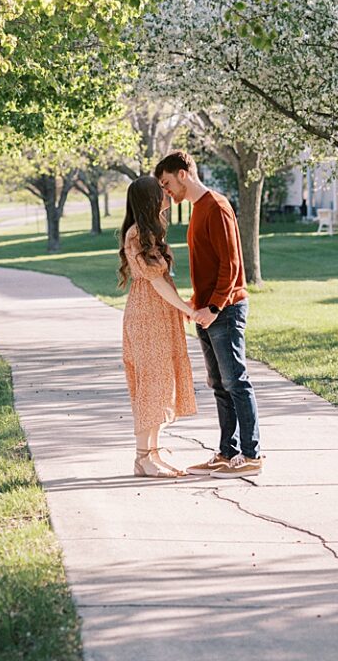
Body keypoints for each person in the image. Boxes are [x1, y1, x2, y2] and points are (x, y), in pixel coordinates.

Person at [155, 151, 262, 478]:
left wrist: (214, 306)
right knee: (219, 383)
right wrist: (197, 303)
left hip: (225, 310)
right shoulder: (198, 210)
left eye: (167, 183)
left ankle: (251, 455)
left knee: (236, 381)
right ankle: (227, 452)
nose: (167, 191)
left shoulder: (216, 206)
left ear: (183, 174)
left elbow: (231, 265)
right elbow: (210, 265)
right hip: (208, 310)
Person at [119, 175, 197, 478]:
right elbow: (154, 280)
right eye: (160, 191)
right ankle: (142, 458)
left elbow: (165, 280)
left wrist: (180, 307)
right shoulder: (136, 234)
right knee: (150, 385)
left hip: (160, 313)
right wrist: (185, 307)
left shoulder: (151, 231)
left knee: (162, 382)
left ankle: (152, 452)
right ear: (149, 199)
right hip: (147, 314)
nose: (166, 194)